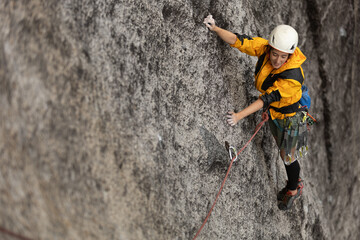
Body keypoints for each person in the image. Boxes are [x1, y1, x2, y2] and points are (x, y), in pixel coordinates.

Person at [204, 15, 307, 210]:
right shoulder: (265, 48)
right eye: (275, 54)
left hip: (290, 118)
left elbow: (265, 99)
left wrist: (238, 116)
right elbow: (239, 41)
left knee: (288, 156)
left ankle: (294, 188)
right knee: (283, 150)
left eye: (283, 56)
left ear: (290, 56)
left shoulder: (292, 78)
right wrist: (215, 29)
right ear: (271, 48)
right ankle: (294, 184)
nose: (277, 59)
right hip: (276, 113)